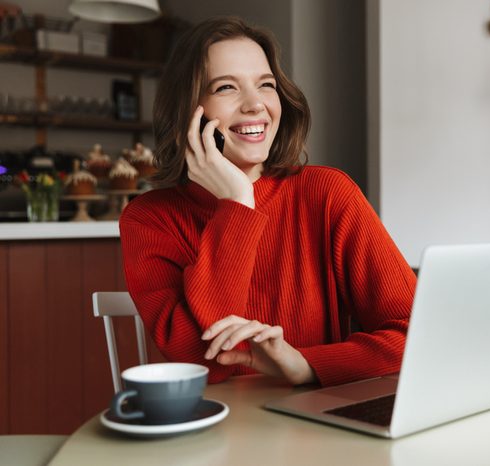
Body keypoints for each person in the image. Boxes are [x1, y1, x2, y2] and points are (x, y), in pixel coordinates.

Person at [120, 16, 416, 387]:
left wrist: (303, 364)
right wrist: (239, 205)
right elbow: (204, 360)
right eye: (226, 87)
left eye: (266, 85)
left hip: (321, 425)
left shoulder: (327, 193)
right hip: (215, 430)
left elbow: (417, 335)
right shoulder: (149, 219)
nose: (255, 104)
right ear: (186, 110)